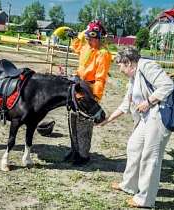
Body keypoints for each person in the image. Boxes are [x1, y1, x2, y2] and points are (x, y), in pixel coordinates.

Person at [99, 46, 174, 208]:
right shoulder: (133, 79)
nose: (119, 70)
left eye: (120, 65)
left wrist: (148, 102)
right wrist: (107, 120)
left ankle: (145, 200)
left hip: (160, 115)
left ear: (128, 63)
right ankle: (129, 185)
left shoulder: (147, 66)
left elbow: (167, 85)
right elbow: (126, 105)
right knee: (134, 147)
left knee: (150, 157)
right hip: (147, 117)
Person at [65, 20, 112, 165]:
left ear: (98, 38)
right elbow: (77, 47)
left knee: (84, 122)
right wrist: (75, 37)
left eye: (92, 38)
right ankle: (74, 150)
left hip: (89, 89)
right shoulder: (86, 46)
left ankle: (83, 155)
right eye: (88, 38)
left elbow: (100, 78)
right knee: (72, 117)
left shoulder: (103, 54)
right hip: (77, 84)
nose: (89, 41)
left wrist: (95, 97)